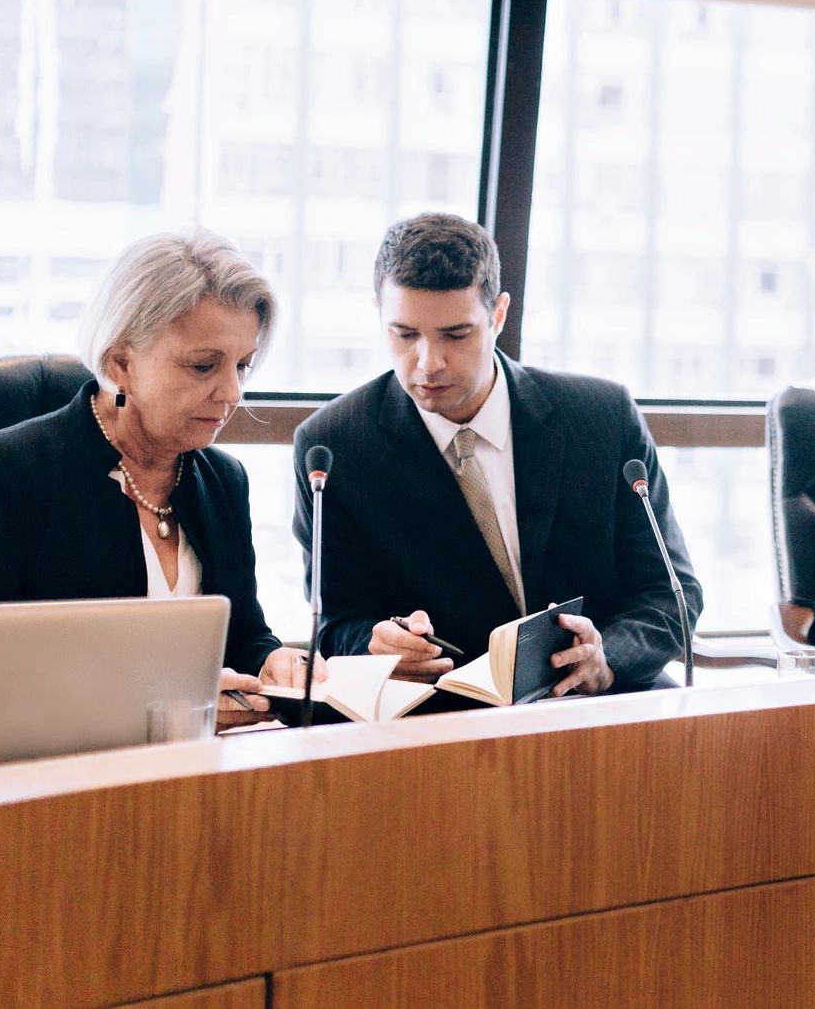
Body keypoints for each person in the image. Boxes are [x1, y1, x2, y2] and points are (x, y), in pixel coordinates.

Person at [293, 213, 700, 697]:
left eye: (456, 335)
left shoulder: (602, 418)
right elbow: (337, 622)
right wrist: (375, 645)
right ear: (378, 313)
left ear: (499, 314)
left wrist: (607, 657)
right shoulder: (336, 445)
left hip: (607, 701)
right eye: (404, 334)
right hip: (449, 720)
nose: (428, 363)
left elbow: (671, 595)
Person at [0, 229, 311, 728]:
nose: (232, 392)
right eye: (204, 366)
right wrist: (166, 702)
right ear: (120, 362)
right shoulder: (0, 475)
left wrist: (273, 661)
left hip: (184, 773)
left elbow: (244, 635)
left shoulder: (223, 480)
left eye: (242, 365)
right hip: (40, 777)